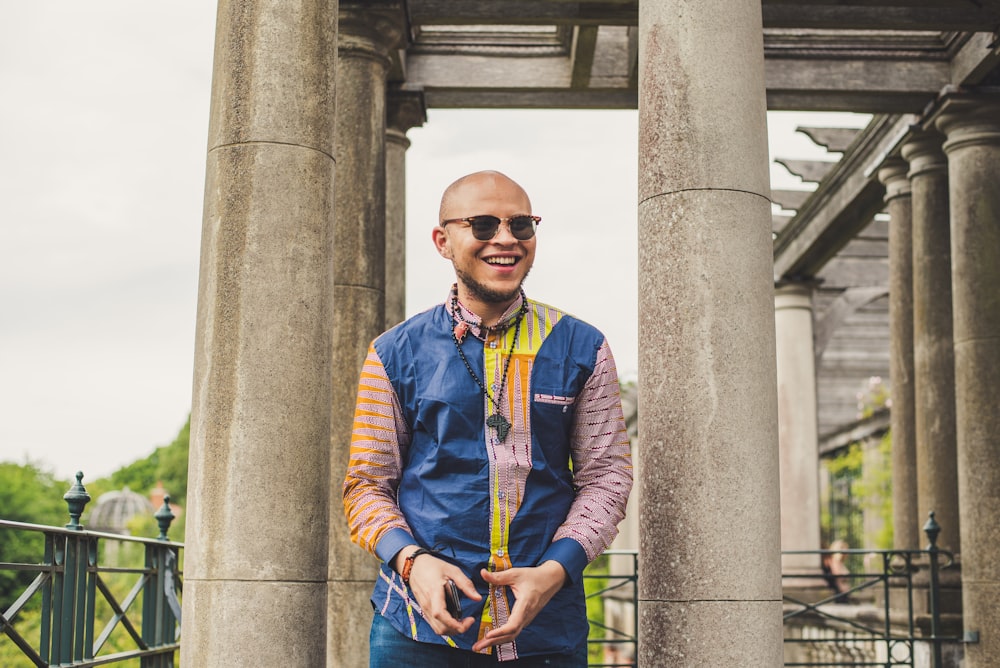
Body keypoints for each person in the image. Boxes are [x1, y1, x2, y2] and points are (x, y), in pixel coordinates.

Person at [343, 170, 633, 666]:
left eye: (521, 225)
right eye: (481, 225)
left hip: (548, 629)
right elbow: (366, 486)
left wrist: (555, 570)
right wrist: (413, 564)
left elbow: (607, 477)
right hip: (415, 630)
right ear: (443, 240)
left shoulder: (585, 347)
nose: (505, 239)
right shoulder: (393, 353)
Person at [821, 539, 852, 603]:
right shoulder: (833, 562)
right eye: (842, 549)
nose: (845, 552)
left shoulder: (840, 563)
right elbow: (837, 578)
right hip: (839, 594)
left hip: (844, 593)